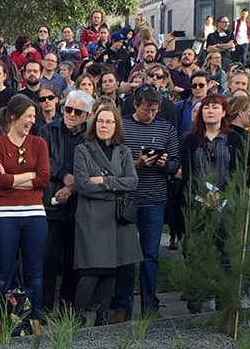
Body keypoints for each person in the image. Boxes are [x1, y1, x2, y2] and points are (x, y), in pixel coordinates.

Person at [72, 102, 140, 325]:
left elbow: (132, 182)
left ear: (116, 125)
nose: (104, 125)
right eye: (100, 120)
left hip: (117, 218)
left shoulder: (124, 151)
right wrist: (114, 187)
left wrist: (104, 181)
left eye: (109, 121)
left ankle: (101, 318)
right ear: (94, 123)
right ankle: (77, 317)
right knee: (90, 270)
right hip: (92, 217)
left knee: (112, 270)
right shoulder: (83, 149)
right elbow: (82, 185)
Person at [114, 85, 179, 320]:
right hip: (127, 199)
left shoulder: (166, 129)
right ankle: (123, 306)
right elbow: (114, 163)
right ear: (136, 105)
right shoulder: (121, 126)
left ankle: (150, 305)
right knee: (126, 255)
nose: (150, 115)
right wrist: (137, 164)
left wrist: (163, 163)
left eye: (154, 110)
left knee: (150, 255)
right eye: (145, 110)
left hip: (154, 199)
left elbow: (175, 165)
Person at [0, 94, 51, 330]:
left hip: (35, 213)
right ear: (15, 115)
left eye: (34, 116)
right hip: (6, 214)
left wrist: (11, 179)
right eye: (29, 115)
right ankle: (3, 319)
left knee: (34, 270)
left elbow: (44, 178)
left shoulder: (39, 144)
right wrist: (28, 176)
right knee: (4, 269)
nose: (32, 120)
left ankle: (33, 318)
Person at [41, 89, 93, 311]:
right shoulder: (48, 130)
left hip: (80, 204)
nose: (71, 114)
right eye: (68, 109)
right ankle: (43, 308)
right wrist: (63, 176)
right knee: (48, 258)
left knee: (74, 258)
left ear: (88, 115)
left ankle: (67, 308)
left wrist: (71, 186)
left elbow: (93, 165)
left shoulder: (92, 135)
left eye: (77, 111)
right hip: (52, 200)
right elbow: (45, 159)